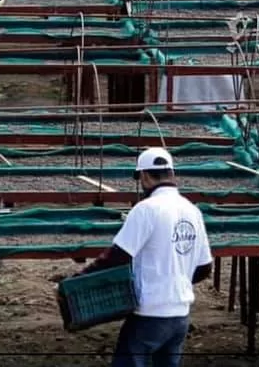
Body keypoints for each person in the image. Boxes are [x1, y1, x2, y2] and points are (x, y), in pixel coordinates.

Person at [74, 147, 213, 367]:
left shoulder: (146, 209)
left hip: (150, 313)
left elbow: (116, 257)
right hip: (180, 316)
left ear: (145, 176)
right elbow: (205, 268)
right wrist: (176, 279)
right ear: (171, 174)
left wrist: (76, 280)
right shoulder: (192, 211)